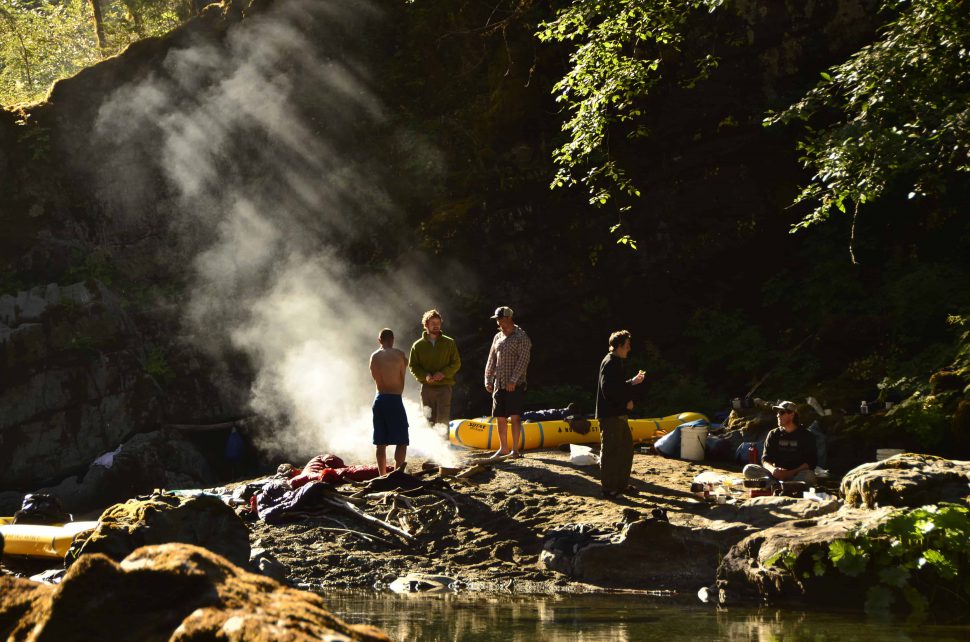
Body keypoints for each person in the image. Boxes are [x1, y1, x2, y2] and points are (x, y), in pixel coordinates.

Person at [595, 330, 645, 499]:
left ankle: (621, 485)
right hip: (611, 416)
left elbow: (617, 386)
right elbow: (607, 390)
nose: (629, 348)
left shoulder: (616, 362)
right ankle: (609, 489)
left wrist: (632, 382)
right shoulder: (610, 362)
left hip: (618, 415)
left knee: (625, 450)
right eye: (627, 345)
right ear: (619, 346)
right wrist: (625, 403)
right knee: (611, 451)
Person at [484, 306, 531, 458]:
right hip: (499, 383)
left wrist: (513, 380)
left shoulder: (521, 336)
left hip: (515, 384)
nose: (498, 321)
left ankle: (515, 450)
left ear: (509, 318)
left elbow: (523, 360)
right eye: (497, 319)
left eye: (500, 318)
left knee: (515, 416)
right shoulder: (497, 337)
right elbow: (491, 359)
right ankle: (503, 448)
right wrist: (488, 379)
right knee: (499, 416)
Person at [408, 309, 461, 432]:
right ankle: (430, 450)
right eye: (433, 323)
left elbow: (456, 363)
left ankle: (444, 450)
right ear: (426, 324)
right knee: (428, 420)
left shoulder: (449, 343)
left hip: (444, 388)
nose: (436, 325)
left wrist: (443, 373)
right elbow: (413, 366)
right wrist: (425, 375)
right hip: (426, 388)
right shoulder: (417, 345)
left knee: (443, 421)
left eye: (438, 322)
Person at [743, 400, 817, 485]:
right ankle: (783, 485)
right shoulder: (773, 434)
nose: (778, 415)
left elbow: (811, 462)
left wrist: (790, 473)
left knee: (809, 475)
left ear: (792, 415)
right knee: (748, 469)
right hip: (776, 474)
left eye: (781, 412)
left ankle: (776, 485)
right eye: (777, 412)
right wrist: (773, 470)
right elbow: (765, 459)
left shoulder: (806, 435)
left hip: (795, 474)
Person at [369, 328, 409, 475]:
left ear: (379, 340)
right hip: (394, 399)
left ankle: (382, 475)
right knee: (402, 440)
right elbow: (404, 370)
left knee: (381, 442)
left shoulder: (374, 356)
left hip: (379, 398)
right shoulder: (399, 355)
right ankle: (398, 474)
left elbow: (374, 376)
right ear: (393, 339)